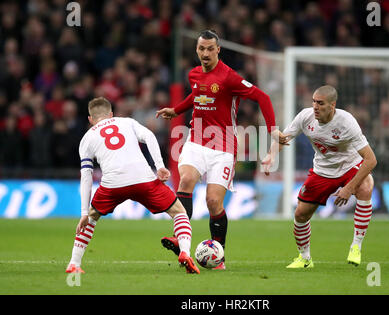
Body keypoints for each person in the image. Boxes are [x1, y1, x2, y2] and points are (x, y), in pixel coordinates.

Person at [156, 30, 281, 270]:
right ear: (197, 49)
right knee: (186, 180)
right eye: (201, 48)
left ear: (218, 50)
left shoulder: (229, 77)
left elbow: (263, 97)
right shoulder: (193, 74)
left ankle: (218, 254)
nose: (205, 53)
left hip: (223, 147)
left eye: (209, 49)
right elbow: (196, 95)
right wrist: (177, 110)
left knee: (213, 201)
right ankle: (181, 242)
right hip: (195, 140)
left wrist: (273, 129)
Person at [65, 97, 199, 274]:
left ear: (90, 119)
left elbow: (86, 175)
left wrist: (84, 212)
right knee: (179, 212)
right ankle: (184, 253)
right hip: (143, 178)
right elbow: (149, 136)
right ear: (111, 114)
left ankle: (74, 263)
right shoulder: (126, 122)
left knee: (90, 219)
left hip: (112, 184)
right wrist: (159, 166)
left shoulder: (87, 139)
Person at [262, 85, 377, 268]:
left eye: (320, 103)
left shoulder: (347, 122)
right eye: (314, 102)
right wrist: (271, 155)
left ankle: (356, 246)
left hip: (350, 166)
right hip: (322, 170)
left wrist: (349, 188)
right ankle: (305, 258)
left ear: (332, 105)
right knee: (300, 214)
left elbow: (370, 160)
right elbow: (284, 138)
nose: (315, 106)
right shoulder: (305, 117)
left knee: (365, 186)